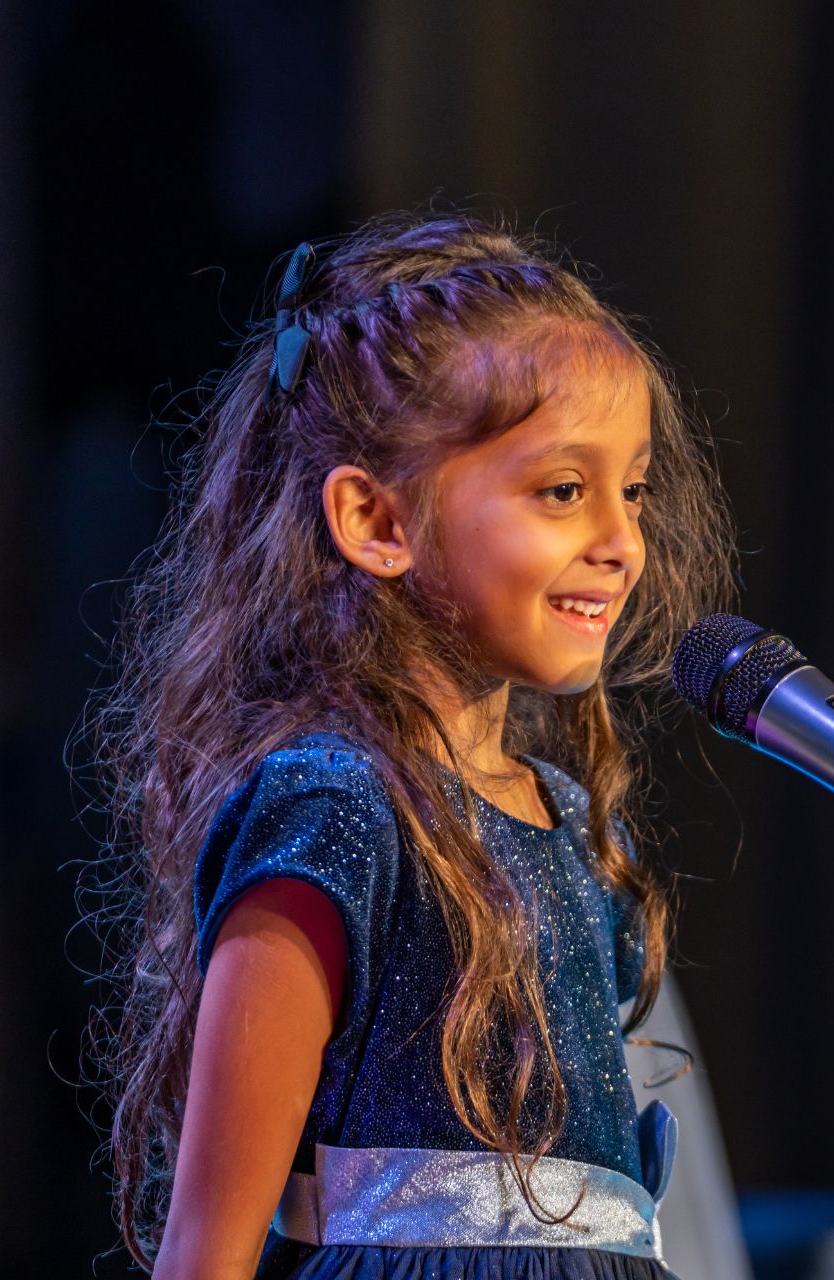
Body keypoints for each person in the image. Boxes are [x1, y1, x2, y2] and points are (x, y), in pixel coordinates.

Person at [80, 210, 737, 1278]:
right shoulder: (334, 808)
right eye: (564, 491)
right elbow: (207, 1244)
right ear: (377, 521)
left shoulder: (560, 814)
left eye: (634, 489)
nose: (622, 542)